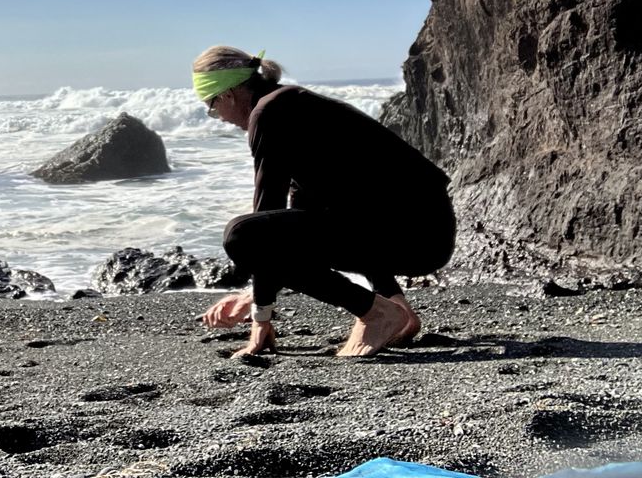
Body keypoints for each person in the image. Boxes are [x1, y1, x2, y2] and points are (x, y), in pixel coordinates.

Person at [193, 45, 455, 358]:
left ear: (227, 95)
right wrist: (255, 296)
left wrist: (261, 317)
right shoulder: (294, 105)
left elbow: (265, 219)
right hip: (424, 228)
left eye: (212, 107)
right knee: (318, 218)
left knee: (241, 235)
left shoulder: (269, 113)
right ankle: (398, 311)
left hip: (414, 233)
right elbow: (307, 218)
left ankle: (376, 313)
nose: (218, 118)